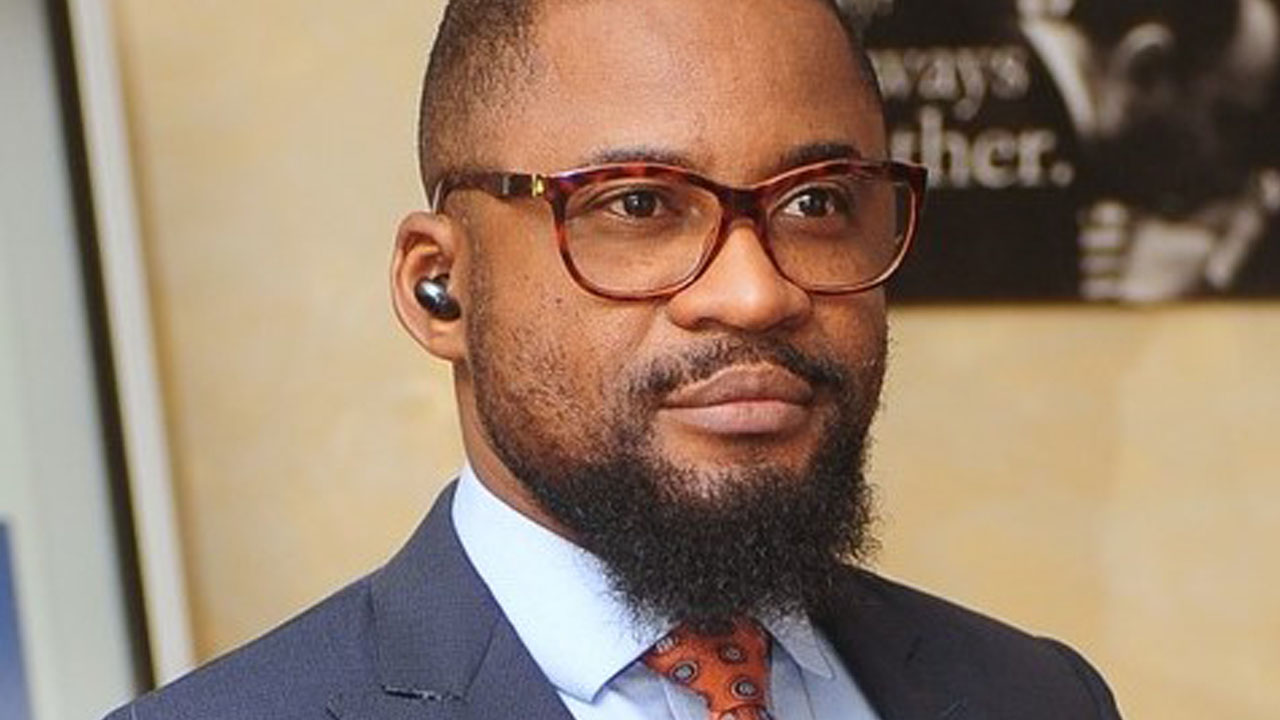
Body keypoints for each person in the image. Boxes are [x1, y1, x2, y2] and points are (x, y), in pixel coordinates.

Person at [105, 1, 1124, 718]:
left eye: (816, 202)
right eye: (636, 205)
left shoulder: (1034, 696)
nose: (755, 293)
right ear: (439, 285)